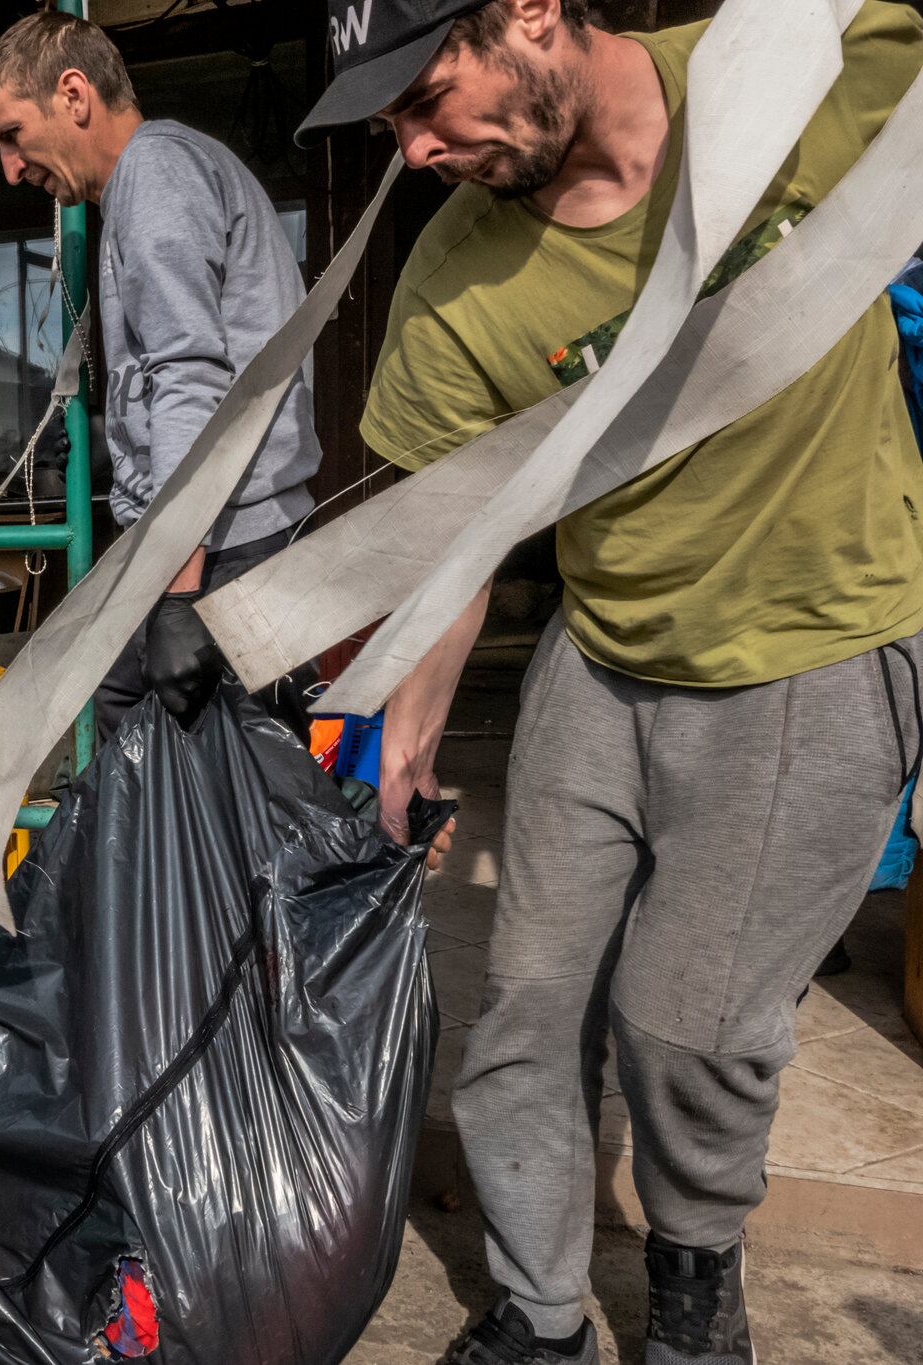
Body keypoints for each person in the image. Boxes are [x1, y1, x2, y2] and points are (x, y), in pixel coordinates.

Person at [297, 1, 923, 1362]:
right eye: (388, 121)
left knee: (686, 1029)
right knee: (527, 1008)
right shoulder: (458, 284)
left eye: (427, 94)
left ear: (528, 12)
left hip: (807, 649)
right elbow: (458, 544)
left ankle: (696, 1297)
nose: (412, 149)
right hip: (607, 650)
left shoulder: (800, 66)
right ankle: (538, 1318)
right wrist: (399, 734)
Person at [0, 11, 324, 734]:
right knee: (161, 753)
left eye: (12, 135)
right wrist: (112, 435)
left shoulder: (156, 174)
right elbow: (184, 364)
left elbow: (192, 379)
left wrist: (180, 597)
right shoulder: (144, 185)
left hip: (229, 550)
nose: (10, 168)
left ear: (74, 96)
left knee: (245, 799)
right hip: (218, 543)